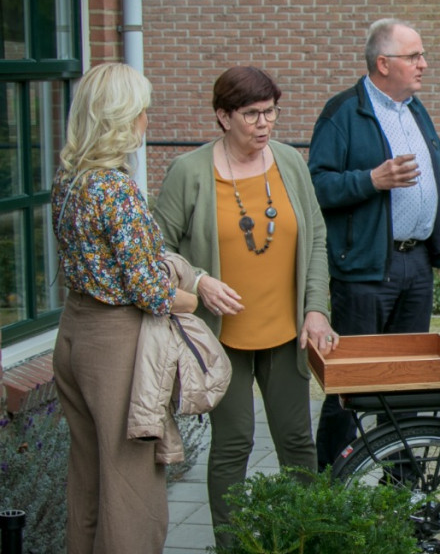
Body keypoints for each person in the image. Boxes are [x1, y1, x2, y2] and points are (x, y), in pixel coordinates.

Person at [153, 66, 334, 547]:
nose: (264, 123)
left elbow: (315, 237)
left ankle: (305, 541)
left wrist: (316, 308)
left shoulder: (289, 162)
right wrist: (199, 281)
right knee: (234, 444)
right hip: (222, 338)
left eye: (271, 112)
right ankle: (232, 546)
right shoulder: (189, 172)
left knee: (297, 442)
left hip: (286, 333)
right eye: (251, 114)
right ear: (223, 116)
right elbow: (156, 251)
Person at [51, 62, 198, 553]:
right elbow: (149, 289)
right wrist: (195, 297)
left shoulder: (69, 181)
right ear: (120, 118)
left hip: (74, 332)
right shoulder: (114, 189)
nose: (146, 121)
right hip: (115, 343)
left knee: (89, 480)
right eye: (141, 111)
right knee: (131, 490)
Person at [307, 18, 440, 469]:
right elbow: (316, 186)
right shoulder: (343, 113)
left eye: (422, 55)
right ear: (384, 63)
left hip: (417, 265)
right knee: (352, 384)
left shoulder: (415, 110)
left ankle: (401, 489)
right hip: (365, 270)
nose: (423, 64)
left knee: (408, 383)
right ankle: (331, 487)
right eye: (414, 56)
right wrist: (372, 180)